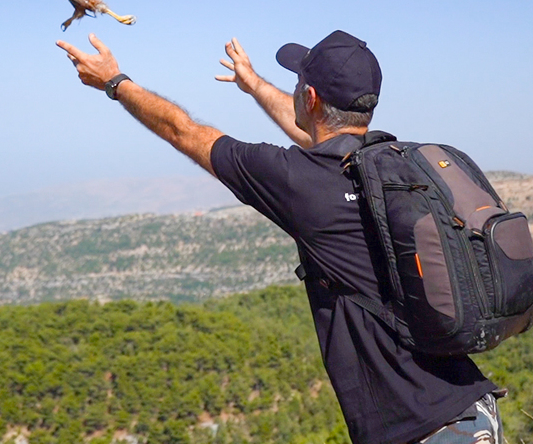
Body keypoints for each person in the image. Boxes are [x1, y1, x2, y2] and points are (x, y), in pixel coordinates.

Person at [57, 30, 503, 444]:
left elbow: (185, 132)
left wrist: (114, 81)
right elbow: (317, 137)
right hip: (470, 408)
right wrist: (253, 85)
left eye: (298, 84)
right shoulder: (393, 165)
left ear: (308, 97)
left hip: (422, 431)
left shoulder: (299, 181)